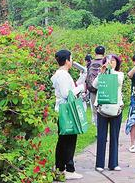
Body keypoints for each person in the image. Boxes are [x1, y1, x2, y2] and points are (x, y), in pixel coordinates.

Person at [51, 49, 85, 180]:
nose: (72, 60)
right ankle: (69, 169)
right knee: (69, 139)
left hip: (61, 110)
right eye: (71, 58)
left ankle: (60, 168)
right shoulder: (63, 75)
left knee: (63, 139)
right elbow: (67, 94)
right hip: (66, 111)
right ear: (66, 60)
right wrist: (81, 87)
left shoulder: (60, 74)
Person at [92, 54, 124, 173]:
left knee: (114, 137)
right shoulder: (102, 74)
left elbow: (118, 82)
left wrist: (110, 70)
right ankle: (99, 163)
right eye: (108, 61)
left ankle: (113, 163)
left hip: (116, 109)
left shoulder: (119, 74)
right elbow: (94, 85)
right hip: (102, 109)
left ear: (117, 63)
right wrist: (102, 72)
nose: (111, 63)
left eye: (113, 61)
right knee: (101, 136)